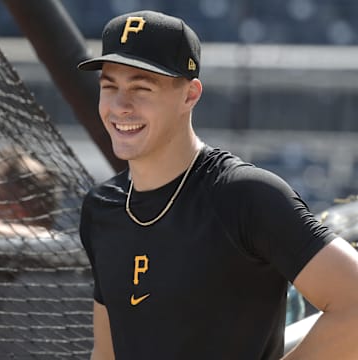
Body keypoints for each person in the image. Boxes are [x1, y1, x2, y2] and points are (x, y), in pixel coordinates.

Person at [78, 10, 358, 360]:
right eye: (110, 87)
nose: (120, 106)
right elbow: (106, 353)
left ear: (189, 95)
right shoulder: (101, 206)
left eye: (141, 88)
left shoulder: (244, 195)